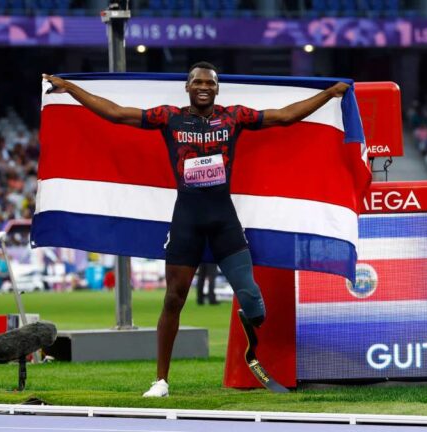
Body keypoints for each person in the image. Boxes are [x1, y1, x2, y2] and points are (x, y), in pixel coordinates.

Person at [43, 62, 351, 397]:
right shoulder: (169, 117)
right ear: (187, 88)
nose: (204, 86)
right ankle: (161, 380)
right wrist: (72, 89)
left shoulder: (233, 117)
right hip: (187, 219)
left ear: (217, 89)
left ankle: (253, 327)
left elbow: (285, 116)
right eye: (197, 82)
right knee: (174, 299)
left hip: (223, 220)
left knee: (254, 304)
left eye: (210, 83)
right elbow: (116, 113)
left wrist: (329, 94)